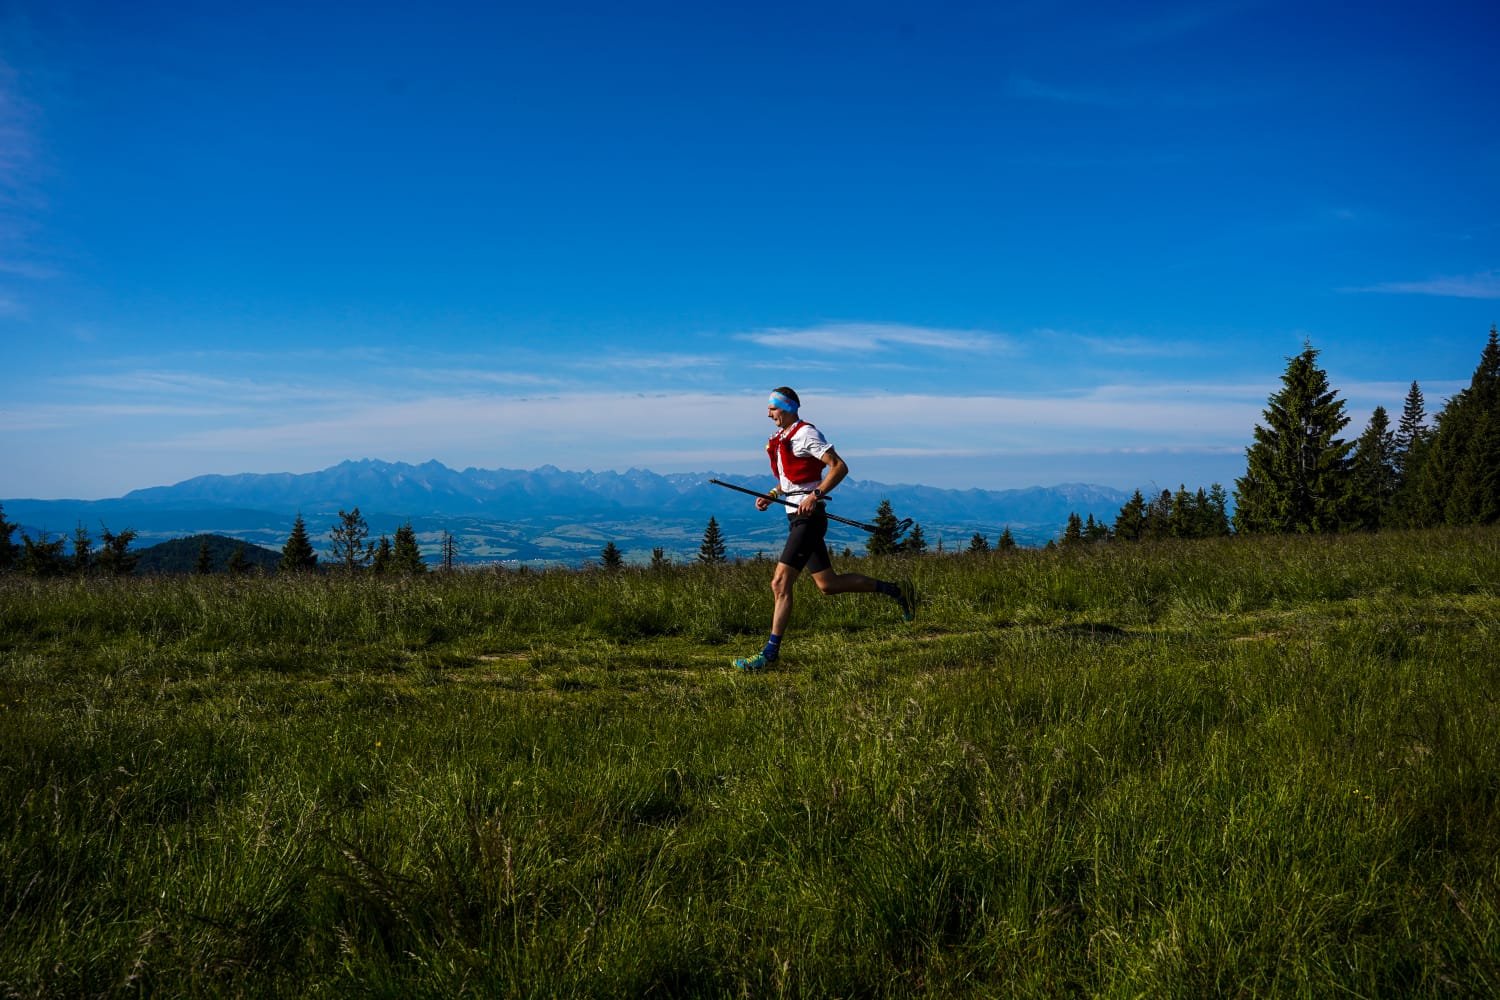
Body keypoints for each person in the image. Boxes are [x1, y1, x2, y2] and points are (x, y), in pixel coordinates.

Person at [733, 387, 915, 671]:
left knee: (780, 583)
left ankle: (770, 655)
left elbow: (839, 467)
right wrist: (771, 494)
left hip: (810, 518)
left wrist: (815, 495)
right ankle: (897, 590)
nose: (768, 414)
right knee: (827, 585)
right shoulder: (782, 438)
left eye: (773, 408)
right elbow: (792, 479)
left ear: (789, 407)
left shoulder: (807, 433)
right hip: (796, 517)